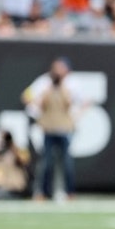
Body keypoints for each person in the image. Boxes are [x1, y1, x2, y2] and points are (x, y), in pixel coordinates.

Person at [21, 56, 81, 201]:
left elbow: (75, 103)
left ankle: (68, 191)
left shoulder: (72, 84)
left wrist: (75, 118)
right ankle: (44, 192)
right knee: (47, 162)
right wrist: (38, 110)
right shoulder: (44, 82)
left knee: (66, 162)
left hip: (65, 128)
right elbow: (27, 97)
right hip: (49, 128)